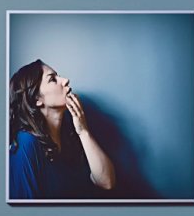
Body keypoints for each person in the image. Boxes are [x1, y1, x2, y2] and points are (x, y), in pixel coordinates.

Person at [8, 60, 115, 200]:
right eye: (52, 79)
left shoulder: (71, 134)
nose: (65, 80)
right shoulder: (26, 143)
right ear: (36, 99)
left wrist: (83, 131)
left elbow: (107, 182)